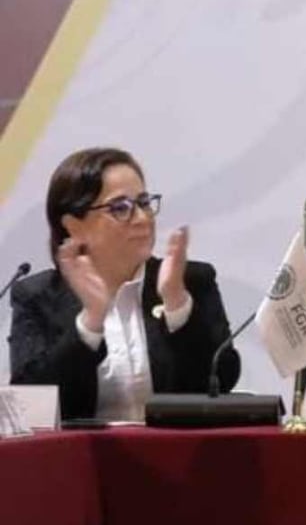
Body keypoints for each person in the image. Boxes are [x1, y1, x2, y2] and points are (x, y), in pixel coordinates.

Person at [9, 147, 240, 421]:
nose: (142, 219)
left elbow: (223, 379)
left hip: (178, 458)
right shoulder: (38, 296)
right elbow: (31, 404)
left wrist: (177, 307)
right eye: (120, 208)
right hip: (79, 461)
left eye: (143, 203)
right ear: (74, 226)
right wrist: (90, 323)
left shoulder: (190, 281)